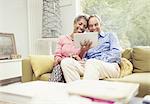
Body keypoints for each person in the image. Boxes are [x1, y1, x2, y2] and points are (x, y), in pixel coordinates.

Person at [61, 15, 122, 82]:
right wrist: (81, 59)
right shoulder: (87, 40)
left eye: (96, 24)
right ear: (88, 28)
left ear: (100, 24)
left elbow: (116, 54)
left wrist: (96, 60)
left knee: (92, 62)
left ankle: (84, 92)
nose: (94, 27)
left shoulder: (110, 35)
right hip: (90, 65)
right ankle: (77, 89)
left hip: (110, 66)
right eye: (91, 26)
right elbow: (86, 58)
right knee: (66, 62)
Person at [49, 15, 91, 82]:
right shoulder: (62, 38)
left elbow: (81, 61)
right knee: (60, 67)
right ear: (74, 23)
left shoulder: (83, 43)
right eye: (80, 24)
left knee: (67, 68)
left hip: (72, 66)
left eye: (84, 26)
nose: (81, 27)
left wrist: (80, 54)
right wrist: (64, 59)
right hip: (60, 65)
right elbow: (57, 56)